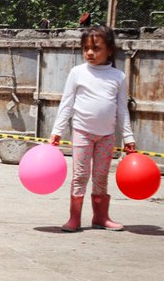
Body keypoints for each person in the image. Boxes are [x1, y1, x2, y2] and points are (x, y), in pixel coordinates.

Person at [50, 25, 136, 232]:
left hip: (107, 136)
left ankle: (100, 217)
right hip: (82, 132)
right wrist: (57, 131)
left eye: (96, 48)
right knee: (80, 175)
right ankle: (74, 218)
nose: (90, 52)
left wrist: (128, 137)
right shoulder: (77, 73)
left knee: (101, 177)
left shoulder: (118, 77)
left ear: (109, 50)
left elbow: (122, 110)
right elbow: (67, 104)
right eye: (86, 48)